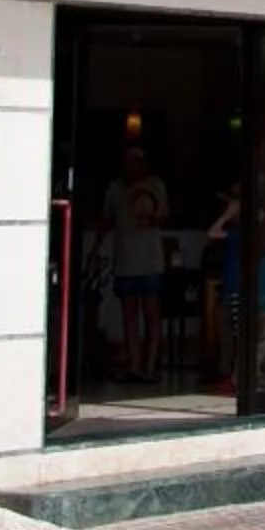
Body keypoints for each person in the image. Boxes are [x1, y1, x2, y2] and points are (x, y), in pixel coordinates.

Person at [101, 143, 171, 382]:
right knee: (129, 315)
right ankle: (135, 364)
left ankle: (150, 366)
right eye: (130, 160)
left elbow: (163, 217)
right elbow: (106, 220)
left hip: (151, 261)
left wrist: (150, 216)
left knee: (152, 313)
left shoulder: (155, 186)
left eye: (139, 160)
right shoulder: (115, 189)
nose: (135, 165)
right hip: (126, 261)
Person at [203, 183, 244, 395]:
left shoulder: (241, 229)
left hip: (238, 285)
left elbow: (212, 232)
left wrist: (227, 215)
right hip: (230, 285)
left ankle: (238, 378)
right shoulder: (234, 229)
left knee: (239, 333)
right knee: (232, 331)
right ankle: (232, 375)